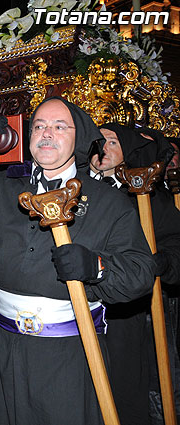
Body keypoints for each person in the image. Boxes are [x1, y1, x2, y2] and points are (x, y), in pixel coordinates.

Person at [0, 96, 155, 425]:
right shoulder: (0, 188)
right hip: (5, 347)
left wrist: (97, 268)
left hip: (71, 354)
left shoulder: (110, 203)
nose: (46, 133)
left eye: (59, 126)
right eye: (39, 126)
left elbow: (142, 272)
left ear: (78, 137)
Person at [91, 123, 180, 424]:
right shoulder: (68, 189)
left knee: (122, 390)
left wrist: (162, 262)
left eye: (112, 142)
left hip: (123, 315)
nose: (102, 148)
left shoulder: (145, 195)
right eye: (97, 140)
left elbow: (175, 241)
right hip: (73, 313)